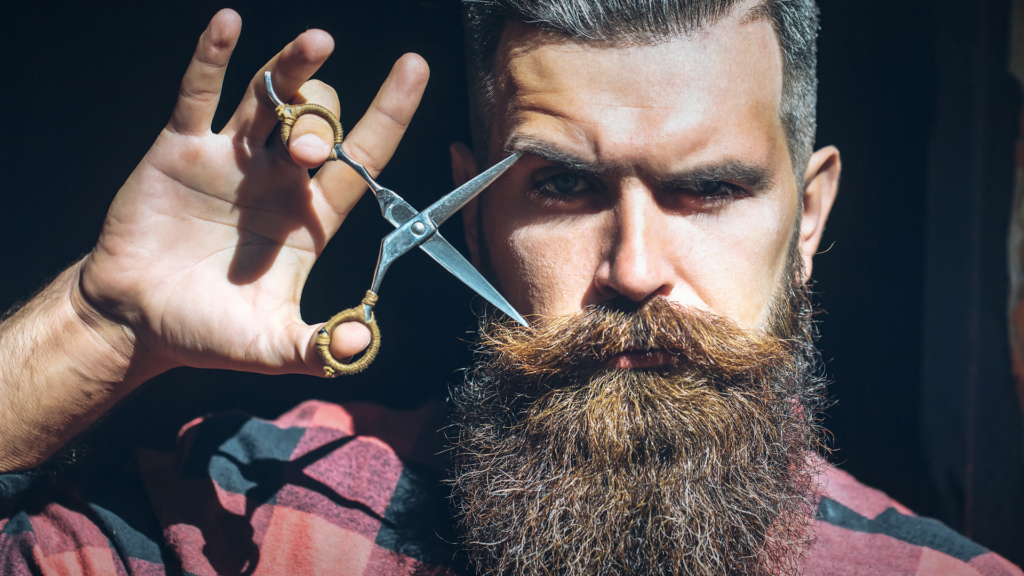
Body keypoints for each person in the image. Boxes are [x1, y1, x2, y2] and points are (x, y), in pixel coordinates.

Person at [0, 1, 1020, 575]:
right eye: (564, 186)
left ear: (808, 219)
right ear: (470, 216)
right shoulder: (254, 514)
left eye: (708, 190)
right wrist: (95, 326)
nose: (633, 269)